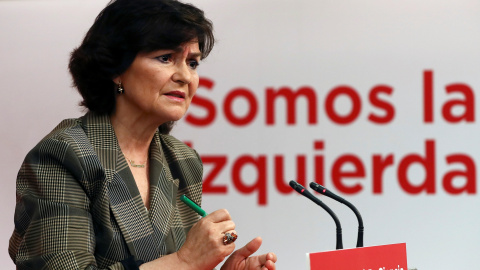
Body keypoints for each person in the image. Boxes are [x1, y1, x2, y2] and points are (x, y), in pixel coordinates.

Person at [8, 0, 277, 269]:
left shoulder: (182, 160)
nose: (185, 76)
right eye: (165, 58)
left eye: (193, 63)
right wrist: (185, 261)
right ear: (116, 68)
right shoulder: (64, 155)